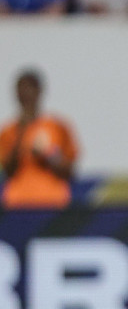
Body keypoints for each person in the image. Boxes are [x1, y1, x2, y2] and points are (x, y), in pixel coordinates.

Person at [0, 68, 77, 209]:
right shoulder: (8, 131)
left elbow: (69, 172)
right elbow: (8, 171)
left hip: (53, 201)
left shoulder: (58, 126)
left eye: (29, 88)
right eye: (20, 89)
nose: (25, 94)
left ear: (39, 91)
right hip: (17, 203)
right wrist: (21, 134)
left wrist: (47, 153)